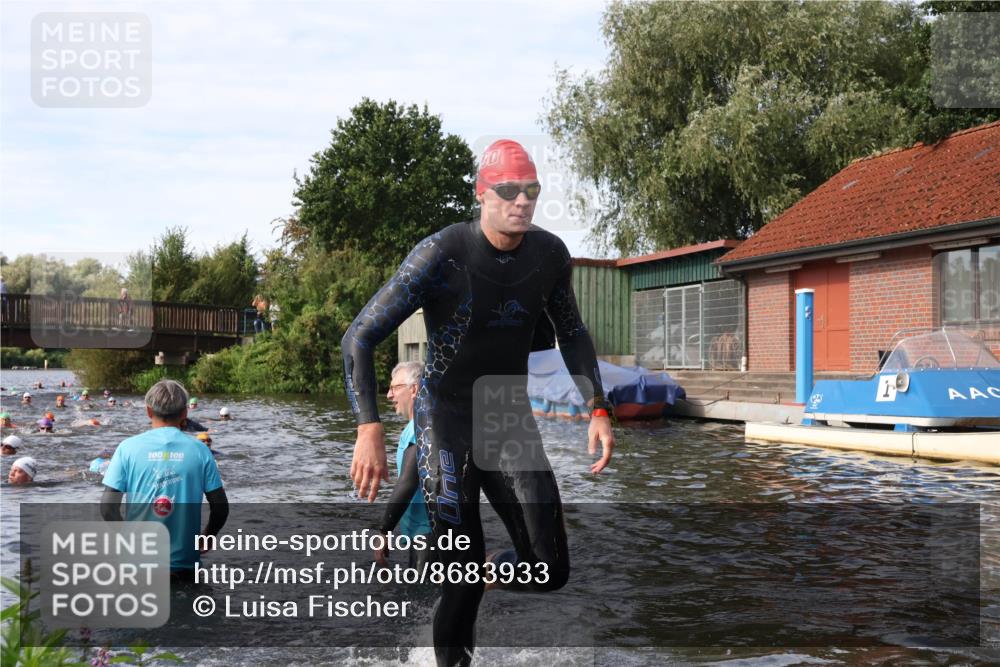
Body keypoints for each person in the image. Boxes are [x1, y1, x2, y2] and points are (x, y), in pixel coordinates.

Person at [342, 139, 615, 666]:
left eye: (531, 191)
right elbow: (359, 336)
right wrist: (369, 427)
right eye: (508, 190)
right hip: (444, 416)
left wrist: (598, 407)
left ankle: (486, 569)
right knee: (459, 580)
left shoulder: (550, 255)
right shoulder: (441, 254)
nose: (521, 201)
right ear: (482, 194)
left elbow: (573, 332)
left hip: (505, 416)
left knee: (549, 569)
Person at [100, 379, 228, 578]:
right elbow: (220, 508)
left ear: (148, 411)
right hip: (185, 567)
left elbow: (108, 508)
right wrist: (208, 536)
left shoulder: (127, 448)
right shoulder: (201, 451)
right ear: (185, 413)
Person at [375, 361, 433, 569]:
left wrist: (384, 530)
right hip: (430, 533)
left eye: (394, 388)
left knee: (421, 597)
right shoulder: (425, 424)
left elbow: (407, 484)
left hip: (427, 535)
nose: (389, 395)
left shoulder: (420, 429)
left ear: (414, 389)